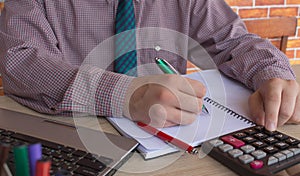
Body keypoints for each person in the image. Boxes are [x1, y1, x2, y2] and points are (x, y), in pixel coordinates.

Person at [0, 0, 299, 131]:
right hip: (76, 148)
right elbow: (21, 62)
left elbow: (234, 41)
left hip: (170, 146)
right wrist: (125, 94)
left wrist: (271, 72)